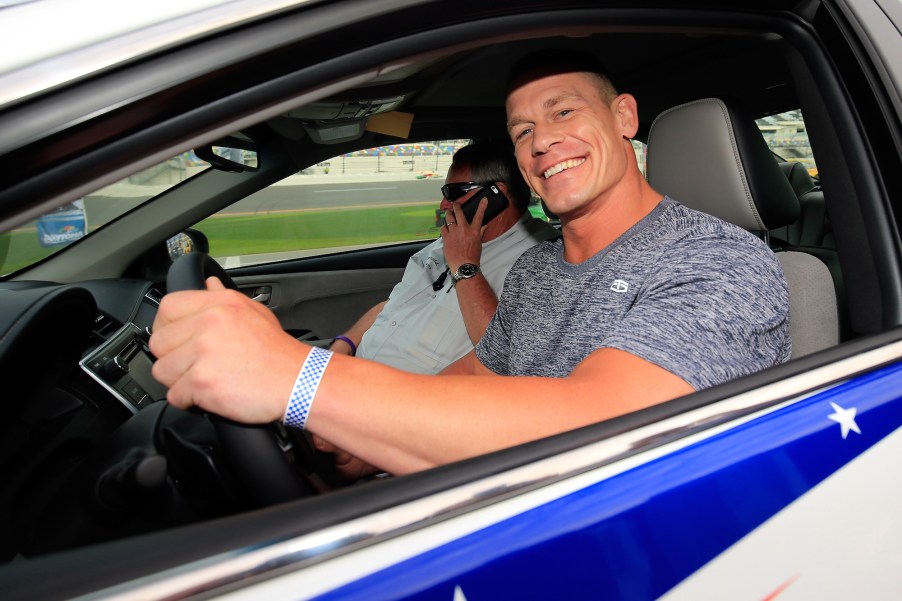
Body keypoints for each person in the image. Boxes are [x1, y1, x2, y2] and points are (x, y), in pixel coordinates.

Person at [150, 50, 790, 477]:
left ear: (624, 116)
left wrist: (297, 376)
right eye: (522, 131)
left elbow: (602, 428)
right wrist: (363, 438)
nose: (542, 141)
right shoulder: (538, 273)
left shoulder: (720, 262)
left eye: (564, 111)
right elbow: (480, 374)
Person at [329, 141, 559, 374]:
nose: (443, 204)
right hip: (352, 370)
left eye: (454, 192)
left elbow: (503, 357)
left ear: (496, 193)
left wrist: (465, 264)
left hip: (404, 391)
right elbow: (394, 305)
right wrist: (342, 346)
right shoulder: (450, 238)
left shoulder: (541, 262)